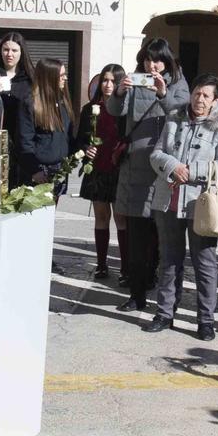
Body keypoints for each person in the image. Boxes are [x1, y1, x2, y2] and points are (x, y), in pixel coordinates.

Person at [147, 75, 218, 338]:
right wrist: (172, 166)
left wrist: (194, 170)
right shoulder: (175, 118)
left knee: (205, 263)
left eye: (206, 96)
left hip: (201, 203)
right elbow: (156, 153)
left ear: (215, 101)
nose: (199, 99)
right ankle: (165, 313)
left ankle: (205, 320)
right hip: (168, 200)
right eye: (197, 93)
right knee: (169, 260)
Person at [111, 41, 188, 313]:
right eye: (147, 60)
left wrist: (163, 93)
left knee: (162, 236)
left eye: (156, 61)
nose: (151, 66)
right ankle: (136, 293)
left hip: (163, 167)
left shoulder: (178, 83)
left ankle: (162, 295)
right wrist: (119, 92)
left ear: (166, 62)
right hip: (135, 166)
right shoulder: (134, 80)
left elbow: (182, 114)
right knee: (136, 236)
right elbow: (115, 111)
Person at [77, 64, 128, 280]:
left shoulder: (125, 109)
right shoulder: (90, 108)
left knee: (121, 218)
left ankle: (126, 267)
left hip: (118, 168)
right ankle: (101, 264)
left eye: (113, 81)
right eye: (105, 81)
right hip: (97, 168)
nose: (108, 85)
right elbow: (80, 138)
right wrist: (85, 149)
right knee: (101, 217)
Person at [14, 59, 76, 189]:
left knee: (53, 208)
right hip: (39, 170)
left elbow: (68, 136)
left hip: (60, 167)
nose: (65, 78)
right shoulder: (31, 103)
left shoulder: (63, 101)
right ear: (49, 78)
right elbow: (24, 140)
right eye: (61, 76)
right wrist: (34, 170)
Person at [0, 30, 32, 133]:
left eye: (14, 50)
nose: (9, 54)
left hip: (20, 134)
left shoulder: (30, 79)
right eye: (6, 49)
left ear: (21, 52)